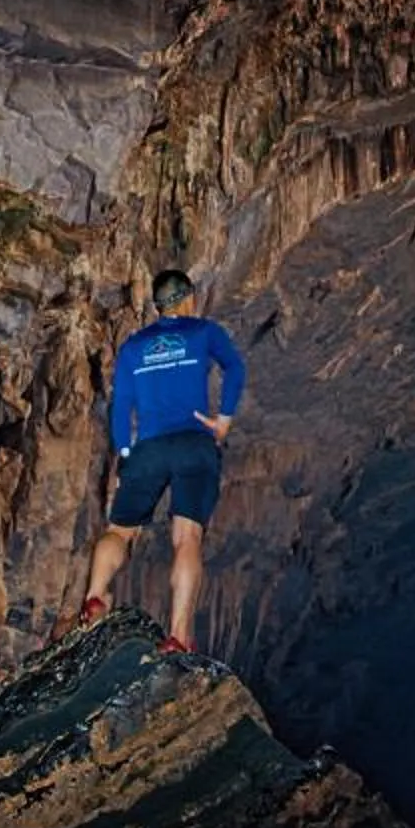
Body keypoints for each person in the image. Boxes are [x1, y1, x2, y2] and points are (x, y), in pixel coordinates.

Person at [79, 268, 245, 655]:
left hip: (148, 449)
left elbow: (120, 408)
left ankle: (95, 596)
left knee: (119, 531)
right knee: (186, 538)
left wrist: (124, 454)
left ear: (157, 307)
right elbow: (235, 368)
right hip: (194, 443)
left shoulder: (135, 346)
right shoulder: (204, 332)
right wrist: (224, 420)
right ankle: (177, 635)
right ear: (188, 297)